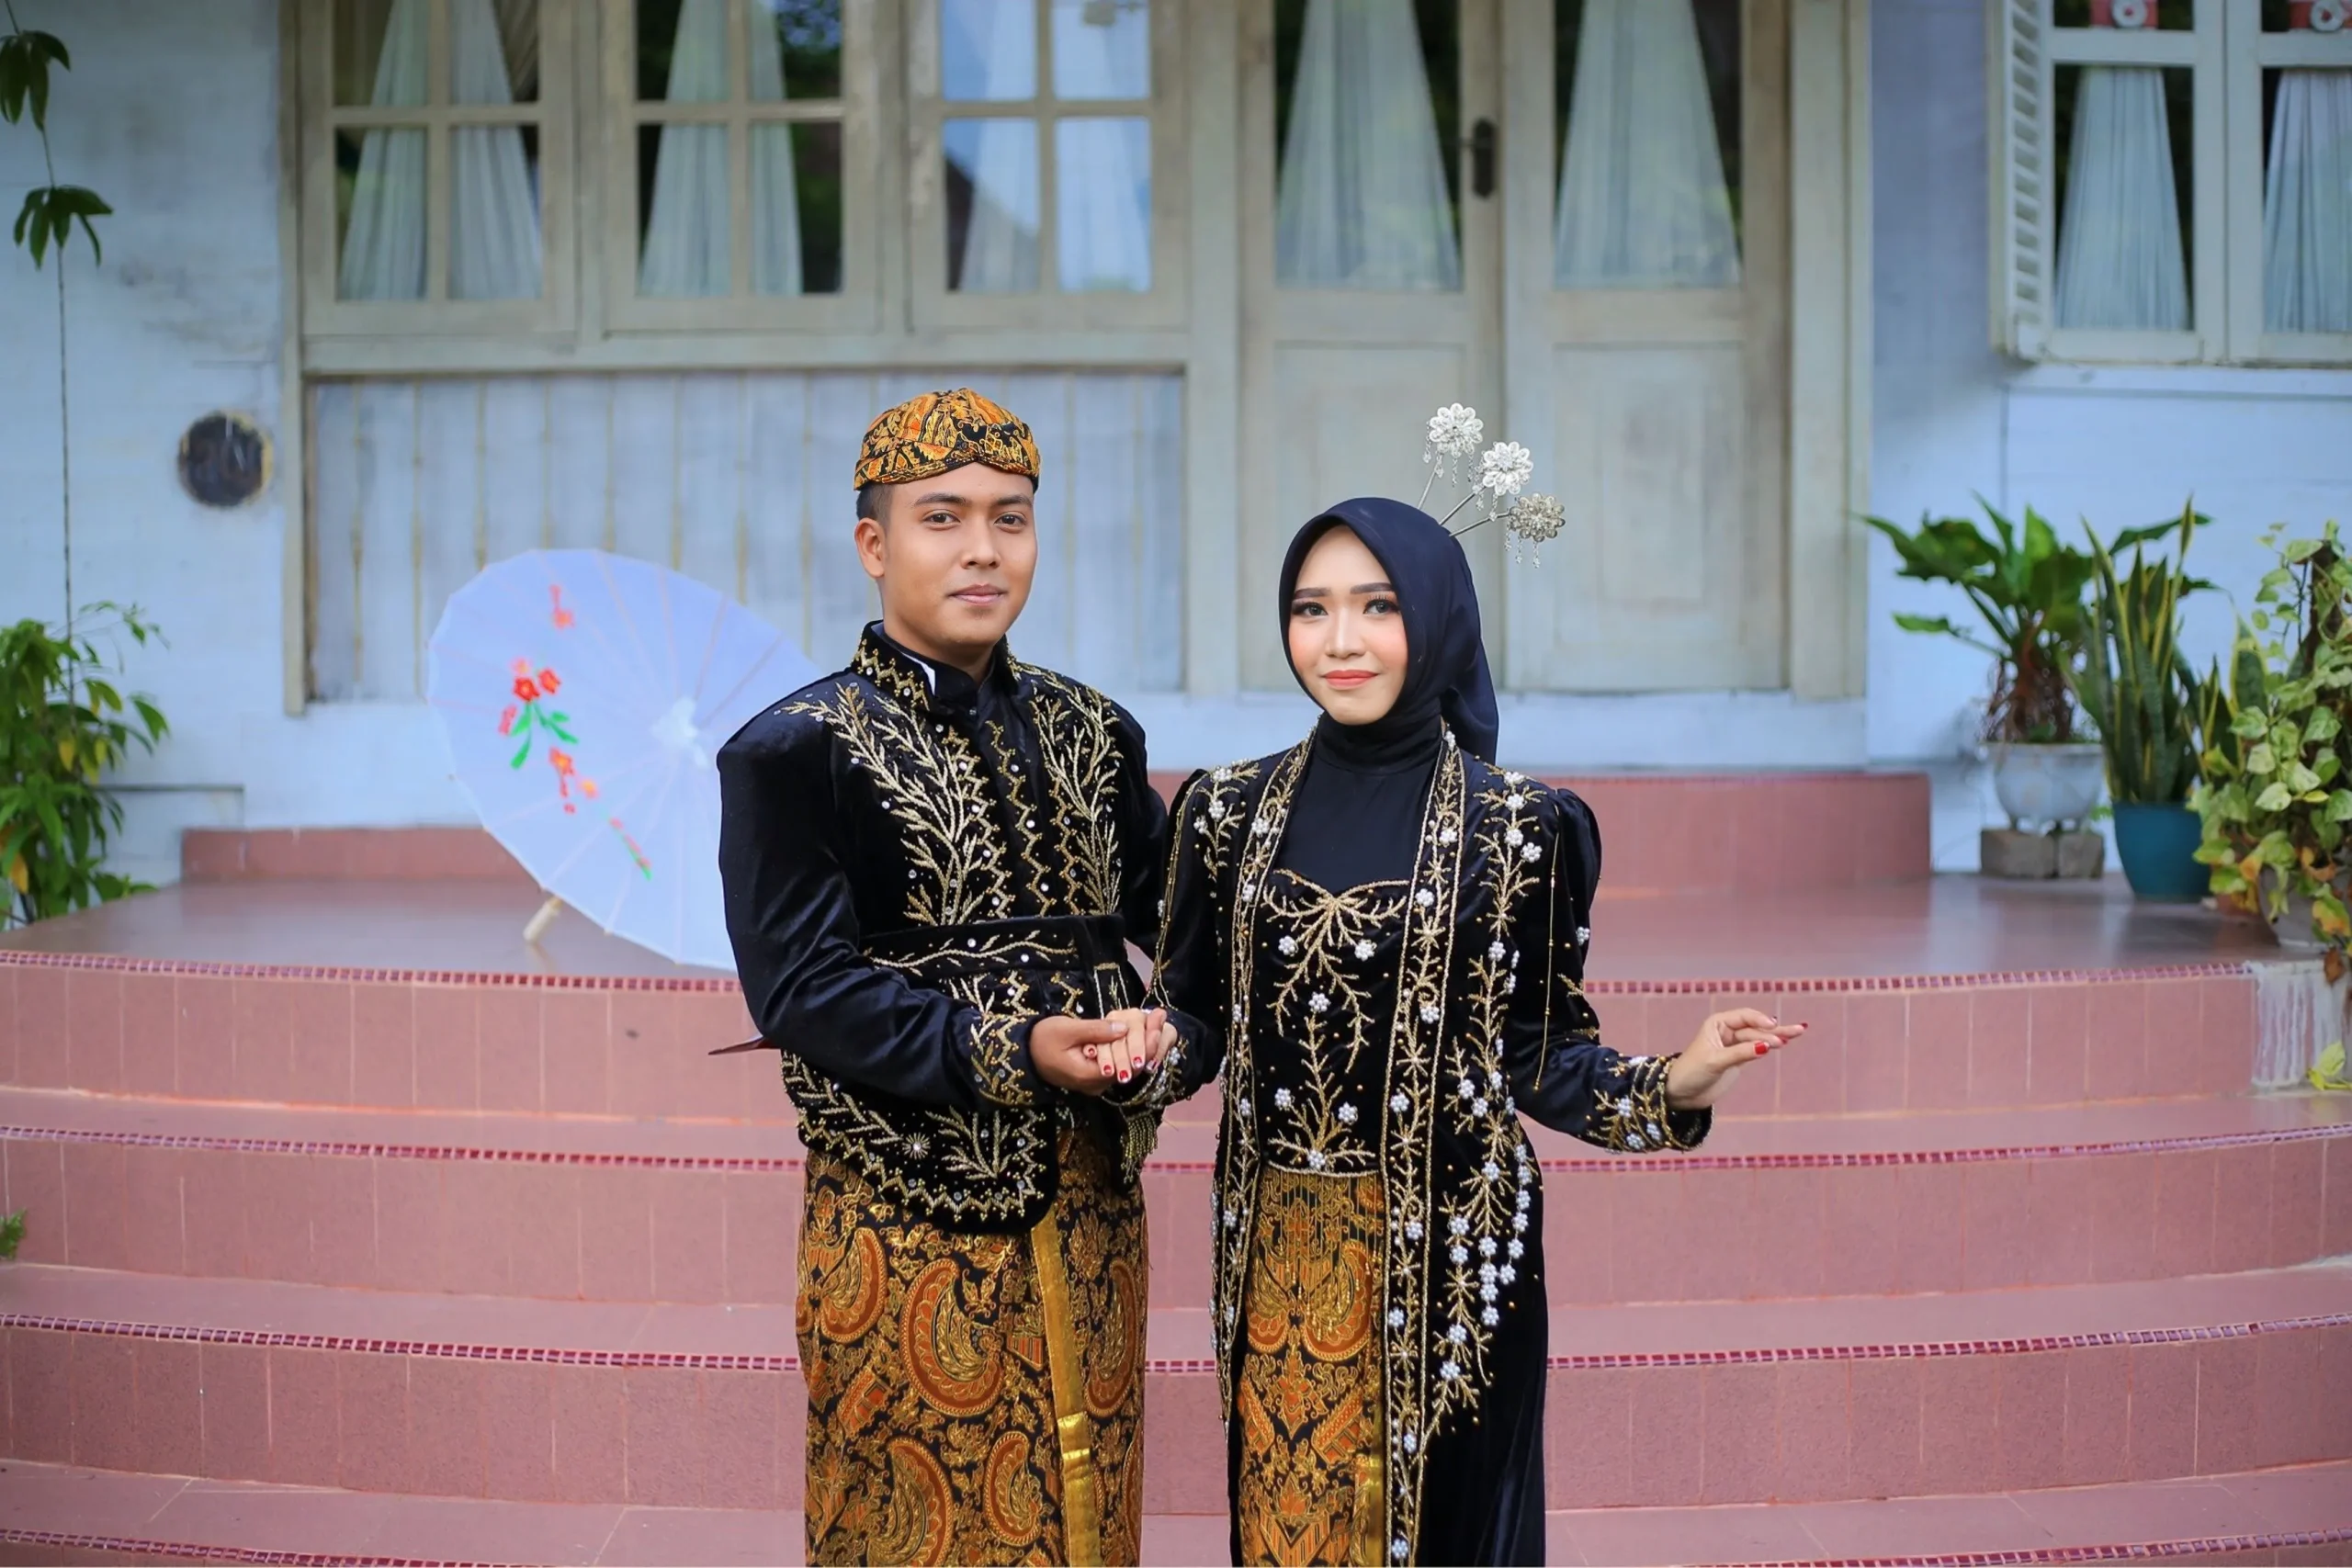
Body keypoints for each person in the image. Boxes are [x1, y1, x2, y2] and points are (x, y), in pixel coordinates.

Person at [1143, 498, 1803, 1567]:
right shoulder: (1224, 812)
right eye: (1311, 609)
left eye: (1378, 607)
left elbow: (1540, 1054)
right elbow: (1194, 1019)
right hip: (1278, 1268)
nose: (1340, 640)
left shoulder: (1522, 828)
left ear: (1439, 619)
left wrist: (1675, 1083)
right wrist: (1135, 1051)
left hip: (1457, 1270)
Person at [716, 388, 1186, 1567]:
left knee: (1091, 1517)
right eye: (943, 517)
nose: (983, 548)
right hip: (904, 1227)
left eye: (1010, 518)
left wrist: (1167, 1037)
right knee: (915, 1526)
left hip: (1092, 1212)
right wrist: (1014, 1048)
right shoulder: (794, 752)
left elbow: (1186, 928)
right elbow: (803, 991)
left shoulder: (1094, 734)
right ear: (873, 545)